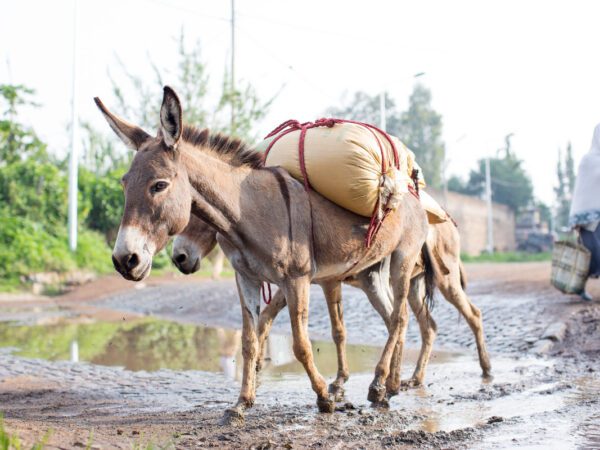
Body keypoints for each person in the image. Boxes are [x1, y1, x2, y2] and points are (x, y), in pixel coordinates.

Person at [569, 123, 600, 301]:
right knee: (593, 255)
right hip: (588, 221)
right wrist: (576, 218)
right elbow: (581, 191)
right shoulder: (587, 161)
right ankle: (579, 286)